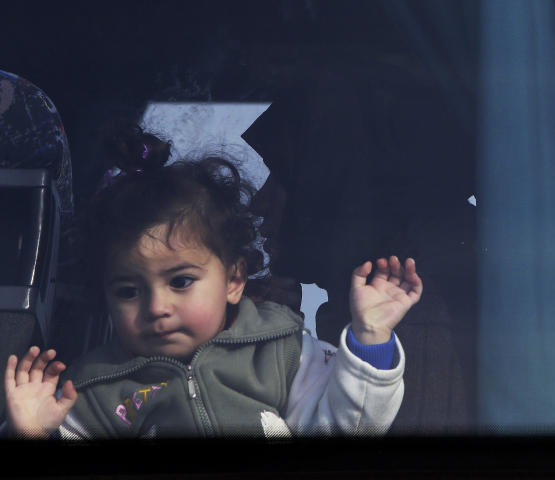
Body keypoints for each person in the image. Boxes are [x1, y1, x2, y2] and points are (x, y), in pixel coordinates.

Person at [3, 123, 422, 438]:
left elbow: (351, 427)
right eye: (129, 291)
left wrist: (371, 337)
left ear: (234, 279)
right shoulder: (93, 389)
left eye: (181, 281)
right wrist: (32, 433)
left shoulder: (283, 354)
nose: (156, 307)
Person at [241, 66, 475, 432]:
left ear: (328, 183)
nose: (257, 203)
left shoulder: (413, 331)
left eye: (286, 171)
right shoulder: (383, 318)